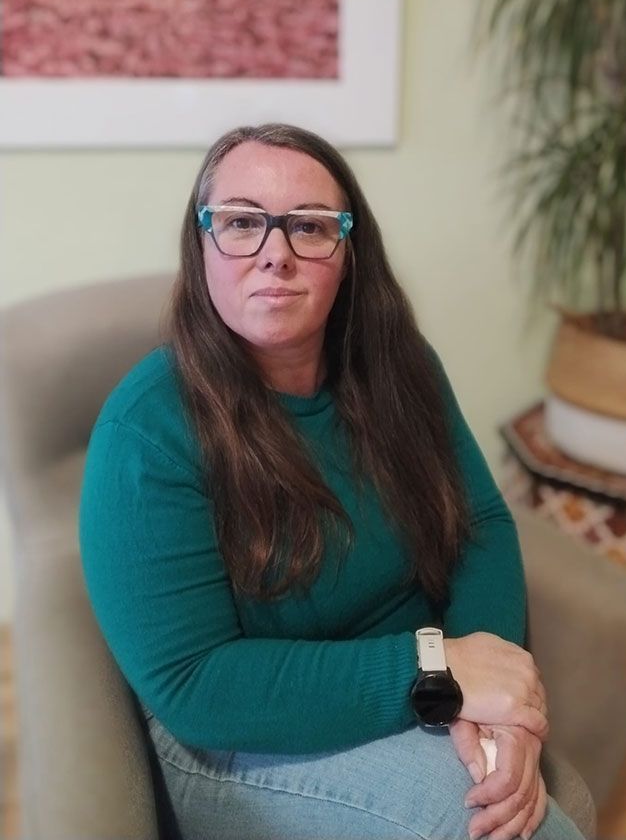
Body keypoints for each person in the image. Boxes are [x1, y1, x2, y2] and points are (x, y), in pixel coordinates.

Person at [79, 123, 585, 840]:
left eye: (310, 227)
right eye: (242, 223)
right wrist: (439, 667)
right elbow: (197, 684)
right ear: (201, 246)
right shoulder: (146, 431)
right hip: (237, 736)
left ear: (348, 253)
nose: (275, 254)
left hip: (415, 693)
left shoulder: (399, 367)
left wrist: (493, 701)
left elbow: (481, 528)